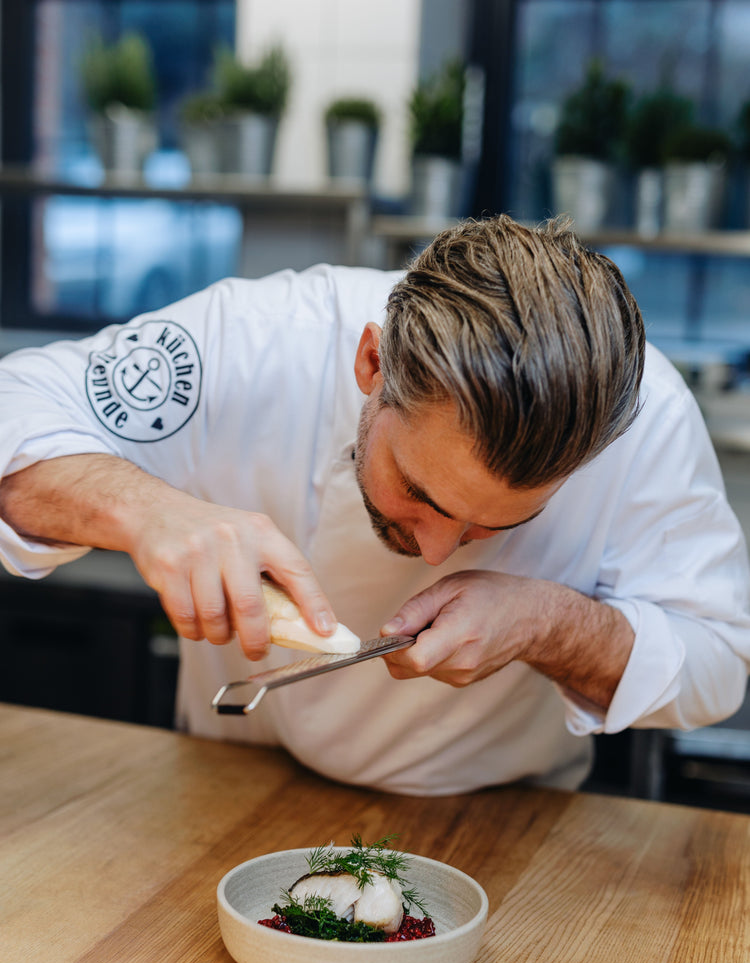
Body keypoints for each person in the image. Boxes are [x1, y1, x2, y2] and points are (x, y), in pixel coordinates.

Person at [0, 213, 748, 795]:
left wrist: (547, 624)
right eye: (419, 492)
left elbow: (718, 666)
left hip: (502, 817)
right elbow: (15, 409)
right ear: (372, 362)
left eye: (496, 524)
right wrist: (148, 510)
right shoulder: (265, 339)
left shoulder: (644, 422)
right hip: (226, 781)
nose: (435, 551)